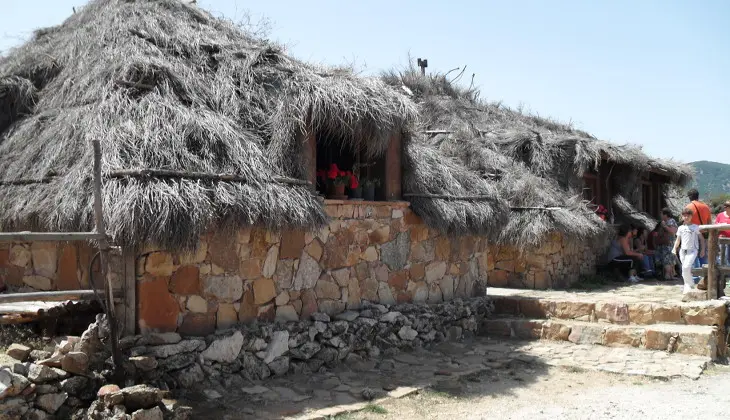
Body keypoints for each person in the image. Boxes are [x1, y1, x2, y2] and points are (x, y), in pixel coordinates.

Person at [673, 208, 706, 295]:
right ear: (682, 216)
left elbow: (702, 239)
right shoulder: (680, 228)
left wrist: (702, 249)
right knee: (684, 269)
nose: (686, 217)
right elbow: (678, 240)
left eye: (688, 215)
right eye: (684, 215)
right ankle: (687, 285)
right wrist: (674, 248)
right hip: (682, 251)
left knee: (686, 267)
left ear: (691, 216)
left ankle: (689, 284)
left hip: (693, 250)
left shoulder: (695, 227)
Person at [685, 189, 711, 269]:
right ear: (698, 196)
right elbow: (709, 223)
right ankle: (704, 277)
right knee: (703, 257)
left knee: (693, 258)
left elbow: (685, 222)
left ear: (689, 197)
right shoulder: (706, 207)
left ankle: (695, 278)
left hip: (692, 236)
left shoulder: (688, 207)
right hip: (704, 235)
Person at [653, 208, 679, 280]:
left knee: (668, 260)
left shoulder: (671, 221)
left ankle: (668, 275)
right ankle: (669, 275)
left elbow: (673, 231)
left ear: (665, 215)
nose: (660, 215)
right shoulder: (664, 222)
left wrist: (664, 226)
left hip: (668, 245)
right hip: (664, 244)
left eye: (661, 214)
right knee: (667, 260)